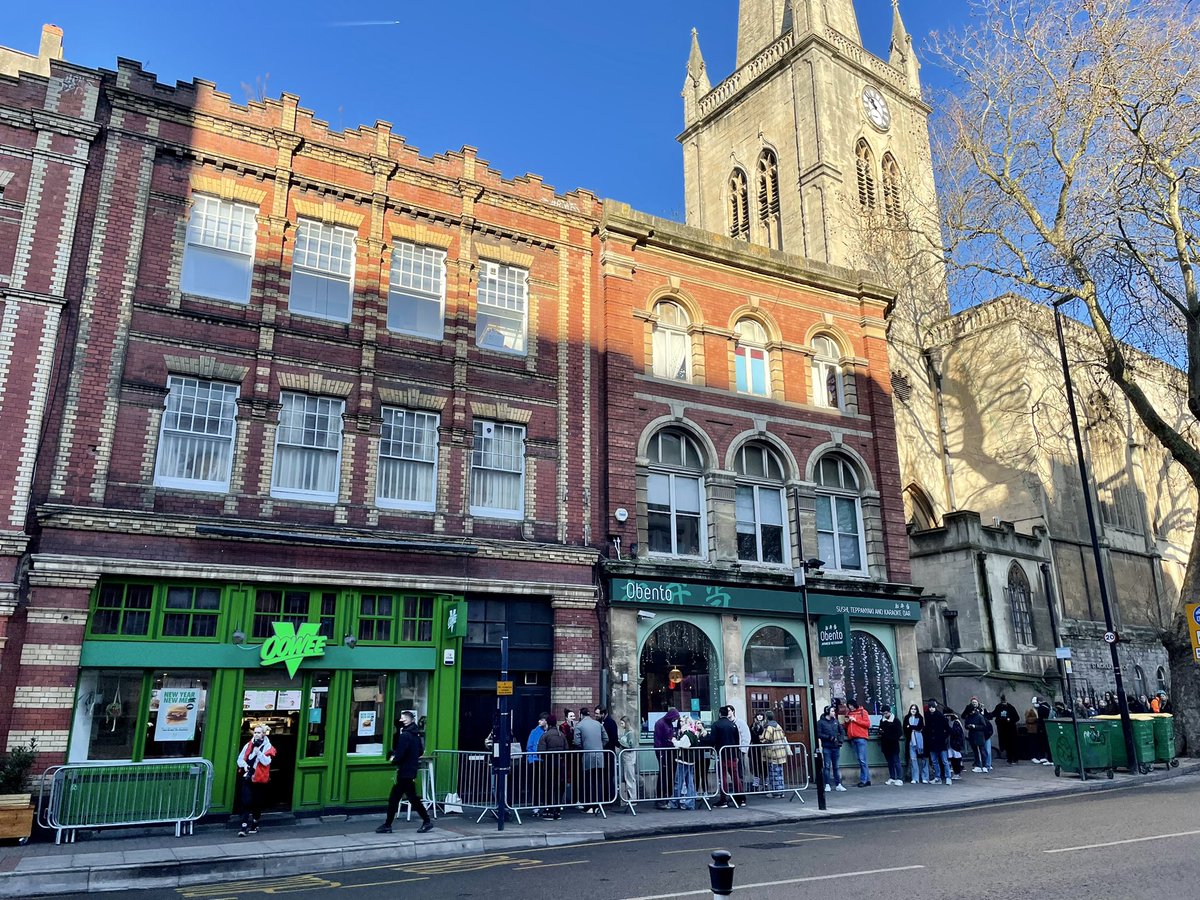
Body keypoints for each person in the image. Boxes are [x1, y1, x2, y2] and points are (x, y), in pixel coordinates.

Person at [376, 710, 433, 835]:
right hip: (411, 770)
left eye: (403, 719)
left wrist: (393, 759)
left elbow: (400, 754)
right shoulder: (416, 735)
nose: (401, 721)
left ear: (407, 721)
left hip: (404, 771)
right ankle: (426, 821)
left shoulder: (405, 735)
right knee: (410, 798)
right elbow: (420, 751)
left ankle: (388, 825)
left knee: (395, 798)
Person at [235, 724, 276, 837]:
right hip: (248, 777)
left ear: (263, 734)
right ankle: (243, 826)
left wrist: (259, 753)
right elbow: (240, 758)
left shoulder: (268, 747)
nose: (256, 734)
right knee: (246, 801)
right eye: (255, 732)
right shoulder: (248, 745)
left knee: (257, 803)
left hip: (260, 779)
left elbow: (266, 762)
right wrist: (244, 766)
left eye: (259, 732)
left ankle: (254, 823)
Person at [711, 706, 745, 807]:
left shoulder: (716, 725)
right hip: (732, 754)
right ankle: (741, 798)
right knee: (735, 777)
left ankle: (723, 800)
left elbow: (712, 740)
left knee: (723, 778)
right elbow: (737, 741)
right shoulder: (733, 725)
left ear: (720, 714)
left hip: (721, 754)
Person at [573, 706, 605, 813]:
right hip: (600, 756)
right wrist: (599, 747)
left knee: (588, 781)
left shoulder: (579, 725)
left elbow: (577, 742)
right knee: (599, 781)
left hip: (587, 756)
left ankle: (589, 806)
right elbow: (606, 738)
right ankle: (598, 805)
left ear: (581, 715)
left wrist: (585, 747)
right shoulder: (598, 724)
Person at [536, 713, 567, 819]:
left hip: (549, 764)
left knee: (548, 786)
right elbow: (566, 749)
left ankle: (549, 809)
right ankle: (557, 810)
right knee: (559, 786)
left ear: (548, 723)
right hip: (560, 763)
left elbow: (540, 751)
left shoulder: (545, 735)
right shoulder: (561, 735)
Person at [669, 714, 699, 809]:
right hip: (689, 761)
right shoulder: (692, 734)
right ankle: (690, 803)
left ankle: (675, 802)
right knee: (689, 783)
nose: (680, 723)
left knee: (679, 782)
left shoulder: (687, 734)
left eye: (682, 721)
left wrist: (674, 741)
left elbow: (682, 744)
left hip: (684, 760)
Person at [653, 708, 680, 808]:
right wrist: (660, 754)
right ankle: (661, 799)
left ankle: (667, 797)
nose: (675, 720)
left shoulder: (668, 723)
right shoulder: (660, 723)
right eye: (674, 718)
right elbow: (658, 741)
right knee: (663, 776)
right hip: (664, 753)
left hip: (670, 752)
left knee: (670, 776)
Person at [815, 705, 846, 791]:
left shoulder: (835, 721)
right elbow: (818, 734)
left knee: (836, 766)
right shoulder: (821, 722)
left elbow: (842, 731)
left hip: (836, 746)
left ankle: (838, 784)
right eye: (832, 711)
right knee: (827, 766)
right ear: (827, 712)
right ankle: (827, 784)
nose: (834, 713)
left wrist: (840, 740)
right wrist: (828, 737)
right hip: (827, 747)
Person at [760, 711, 790, 797]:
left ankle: (775, 792)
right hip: (780, 751)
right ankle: (781, 791)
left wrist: (761, 739)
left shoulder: (769, 727)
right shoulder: (778, 726)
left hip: (772, 752)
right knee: (779, 772)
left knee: (773, 773)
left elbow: (767, 739)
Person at [924, 699, 952, 785]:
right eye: (930, 707)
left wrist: (943, 737)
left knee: (944, 761)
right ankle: (937, 777)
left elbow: (948, 729)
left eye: (932, 707)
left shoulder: (940, 716)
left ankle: (948, 777)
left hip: (940, 741)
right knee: (934, 761)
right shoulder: (928, 716)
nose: (931, 709)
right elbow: (927, 729)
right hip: (932, 742)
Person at [845, 698, 872, 787]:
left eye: (851, 706)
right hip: (852, 738)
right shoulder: (849, 713)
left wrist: (856, 720)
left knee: (862, 759)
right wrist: (846, 722)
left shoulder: (862, 712)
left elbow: (867, 724)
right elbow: (846, 726)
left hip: (861, 737)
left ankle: (863, 780)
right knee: (861, 760)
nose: (851, 708)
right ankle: (868, 780)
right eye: (849, 707)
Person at [878, 705, 904, 786]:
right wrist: (880, 732)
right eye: (883, 713)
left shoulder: (896, 721)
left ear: (889, 712)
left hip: (893, 744)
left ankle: (900, 778)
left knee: (896, 761)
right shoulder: (882, 721)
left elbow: (899, 732)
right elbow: (880, 730)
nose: (884, 715)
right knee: (889, 762)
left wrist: (889, 736)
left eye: (886, 713)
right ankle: (892, 777)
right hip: (885, 744)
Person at [963, 700, 991, 773]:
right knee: (975, 751)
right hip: (972, 735)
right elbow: (965, 725)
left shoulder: (979, 716)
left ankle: (984, 765)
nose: (971, 713)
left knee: (982, 750)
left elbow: (984, 726)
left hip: (979, 735)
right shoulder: (968, 717)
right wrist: (969, 726)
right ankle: (978, 765)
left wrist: (975, 726)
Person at [617, 715, 638, 810]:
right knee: (627, 777)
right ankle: (629, 798)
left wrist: (621, 742)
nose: (621, 725)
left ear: (626, 723)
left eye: (622, 723)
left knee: (630, 778)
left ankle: (633, 799)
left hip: (629, 758)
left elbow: (631, 745)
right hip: (625, 758)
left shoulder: (630, 733)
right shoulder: (626, 732)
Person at [991, 694, 1020, 763]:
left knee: (1012, 744)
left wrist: (1010, 719)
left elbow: (1017, 718)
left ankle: (1015, 758)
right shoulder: (998, 707)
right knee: (1006, 744)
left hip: (1011, 729)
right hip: (1002, 729)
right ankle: (1009, 758)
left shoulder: (1011, 707)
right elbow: (993, 714)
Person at [904, 704, 929, 783]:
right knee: (913, 759)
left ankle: (924, 777)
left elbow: (920, 727)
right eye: (912, 709)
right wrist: (913, 727)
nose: (913, 710)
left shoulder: (920, 717)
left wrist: (910, 727)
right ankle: (915, 778)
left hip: (920, 741)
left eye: (915, 709)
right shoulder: (907, 718)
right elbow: (905, 728)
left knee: (922, 759)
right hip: (911, 741)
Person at [1026, 696, 1053, 765]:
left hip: (1041, 729)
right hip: (1036, 729)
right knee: (1039, 744)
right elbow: (1028, 719)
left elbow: (1041, 719)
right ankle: (1041, 757)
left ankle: (1046, 758)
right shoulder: (1031, 710)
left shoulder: (1042, 708)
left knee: (1044, 744)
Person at [749, 712, 767, 789]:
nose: (759, 717)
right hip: (755, 748)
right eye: (758, 715)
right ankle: (756, 783)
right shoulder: (753, 725)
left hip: (763, 748)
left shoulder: (766, 725)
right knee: (756, 765)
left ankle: (766, 782)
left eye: (761, 715)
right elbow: (752, 736)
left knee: (764, 765)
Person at [947, 712, 966, 778]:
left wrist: (949, 729)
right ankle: (956, 772)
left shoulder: (956, 723)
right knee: (953, 758)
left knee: (956, 758)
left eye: (948, 716)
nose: (947, 718)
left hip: (955, 744)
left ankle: (957, 772)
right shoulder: (951, 723)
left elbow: (956, 732)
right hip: (951, 744)